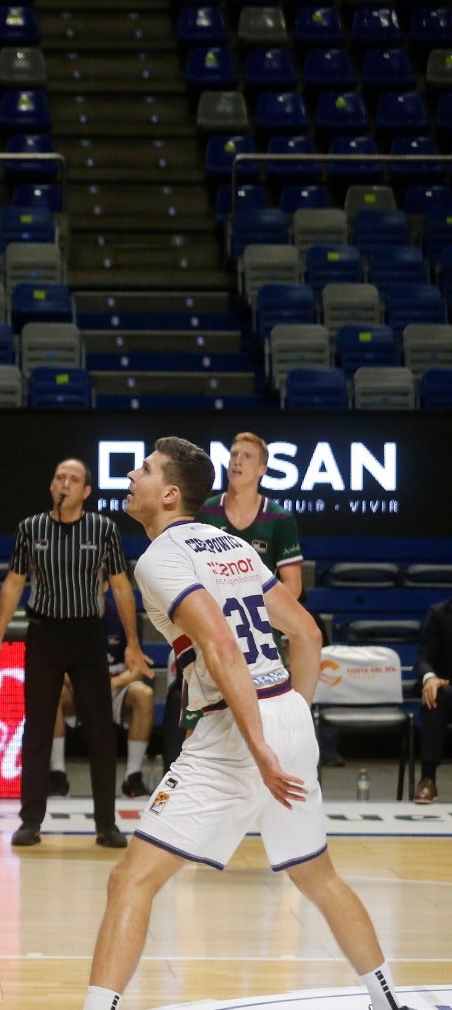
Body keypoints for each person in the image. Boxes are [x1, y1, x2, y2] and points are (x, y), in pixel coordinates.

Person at [85, 436, 430, 1010]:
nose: (131, 477)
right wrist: (288, 714)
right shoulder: (230, 544)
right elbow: (309, 634)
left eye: (143, 470)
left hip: (239, 731)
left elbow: (219, 644)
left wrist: (257, 741)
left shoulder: (160, 557)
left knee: (130, 881)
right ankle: (386, 997)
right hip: (285, 713)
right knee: (317, 875)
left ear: (170, 494)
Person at [0, 457, 147, 849]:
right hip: (44, 634)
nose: (65, 483)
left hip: (87, 635)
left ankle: (107, 823)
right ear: (51, 484)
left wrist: (133, 644)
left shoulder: (103, 528)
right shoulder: (31, 528)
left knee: (100, 732)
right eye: (60, 477)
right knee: (37, 728)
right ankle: (30, 821)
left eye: (74, 479)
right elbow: (14, 582)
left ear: (86, 491)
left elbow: (122, 587)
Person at [186, 430, 311, 769]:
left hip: (259, 635)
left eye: (247, 457)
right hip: (213, 631)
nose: (237, 461)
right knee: (202, 724)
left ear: (263, 470)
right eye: (234, 454)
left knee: (269, 725)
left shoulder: (280, 519)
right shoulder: (206, 513)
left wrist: (245, 598)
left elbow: (294, 587)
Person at [52, 586, 155, 800]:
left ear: (106, 584)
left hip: (114, 687)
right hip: (78, 687)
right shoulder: (65, 614)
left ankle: (132, 777)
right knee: (55, 693)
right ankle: (57, 777)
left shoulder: (124, 616)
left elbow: (139, 669)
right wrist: (86, 682)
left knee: (144, 694)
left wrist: (116, 682)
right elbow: (56, 666)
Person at [413, 598, 452, 804]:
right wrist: (430, 677)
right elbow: (423, 659)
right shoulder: (439, 613)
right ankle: (428, 780)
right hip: (447, 688)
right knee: (434, 695)